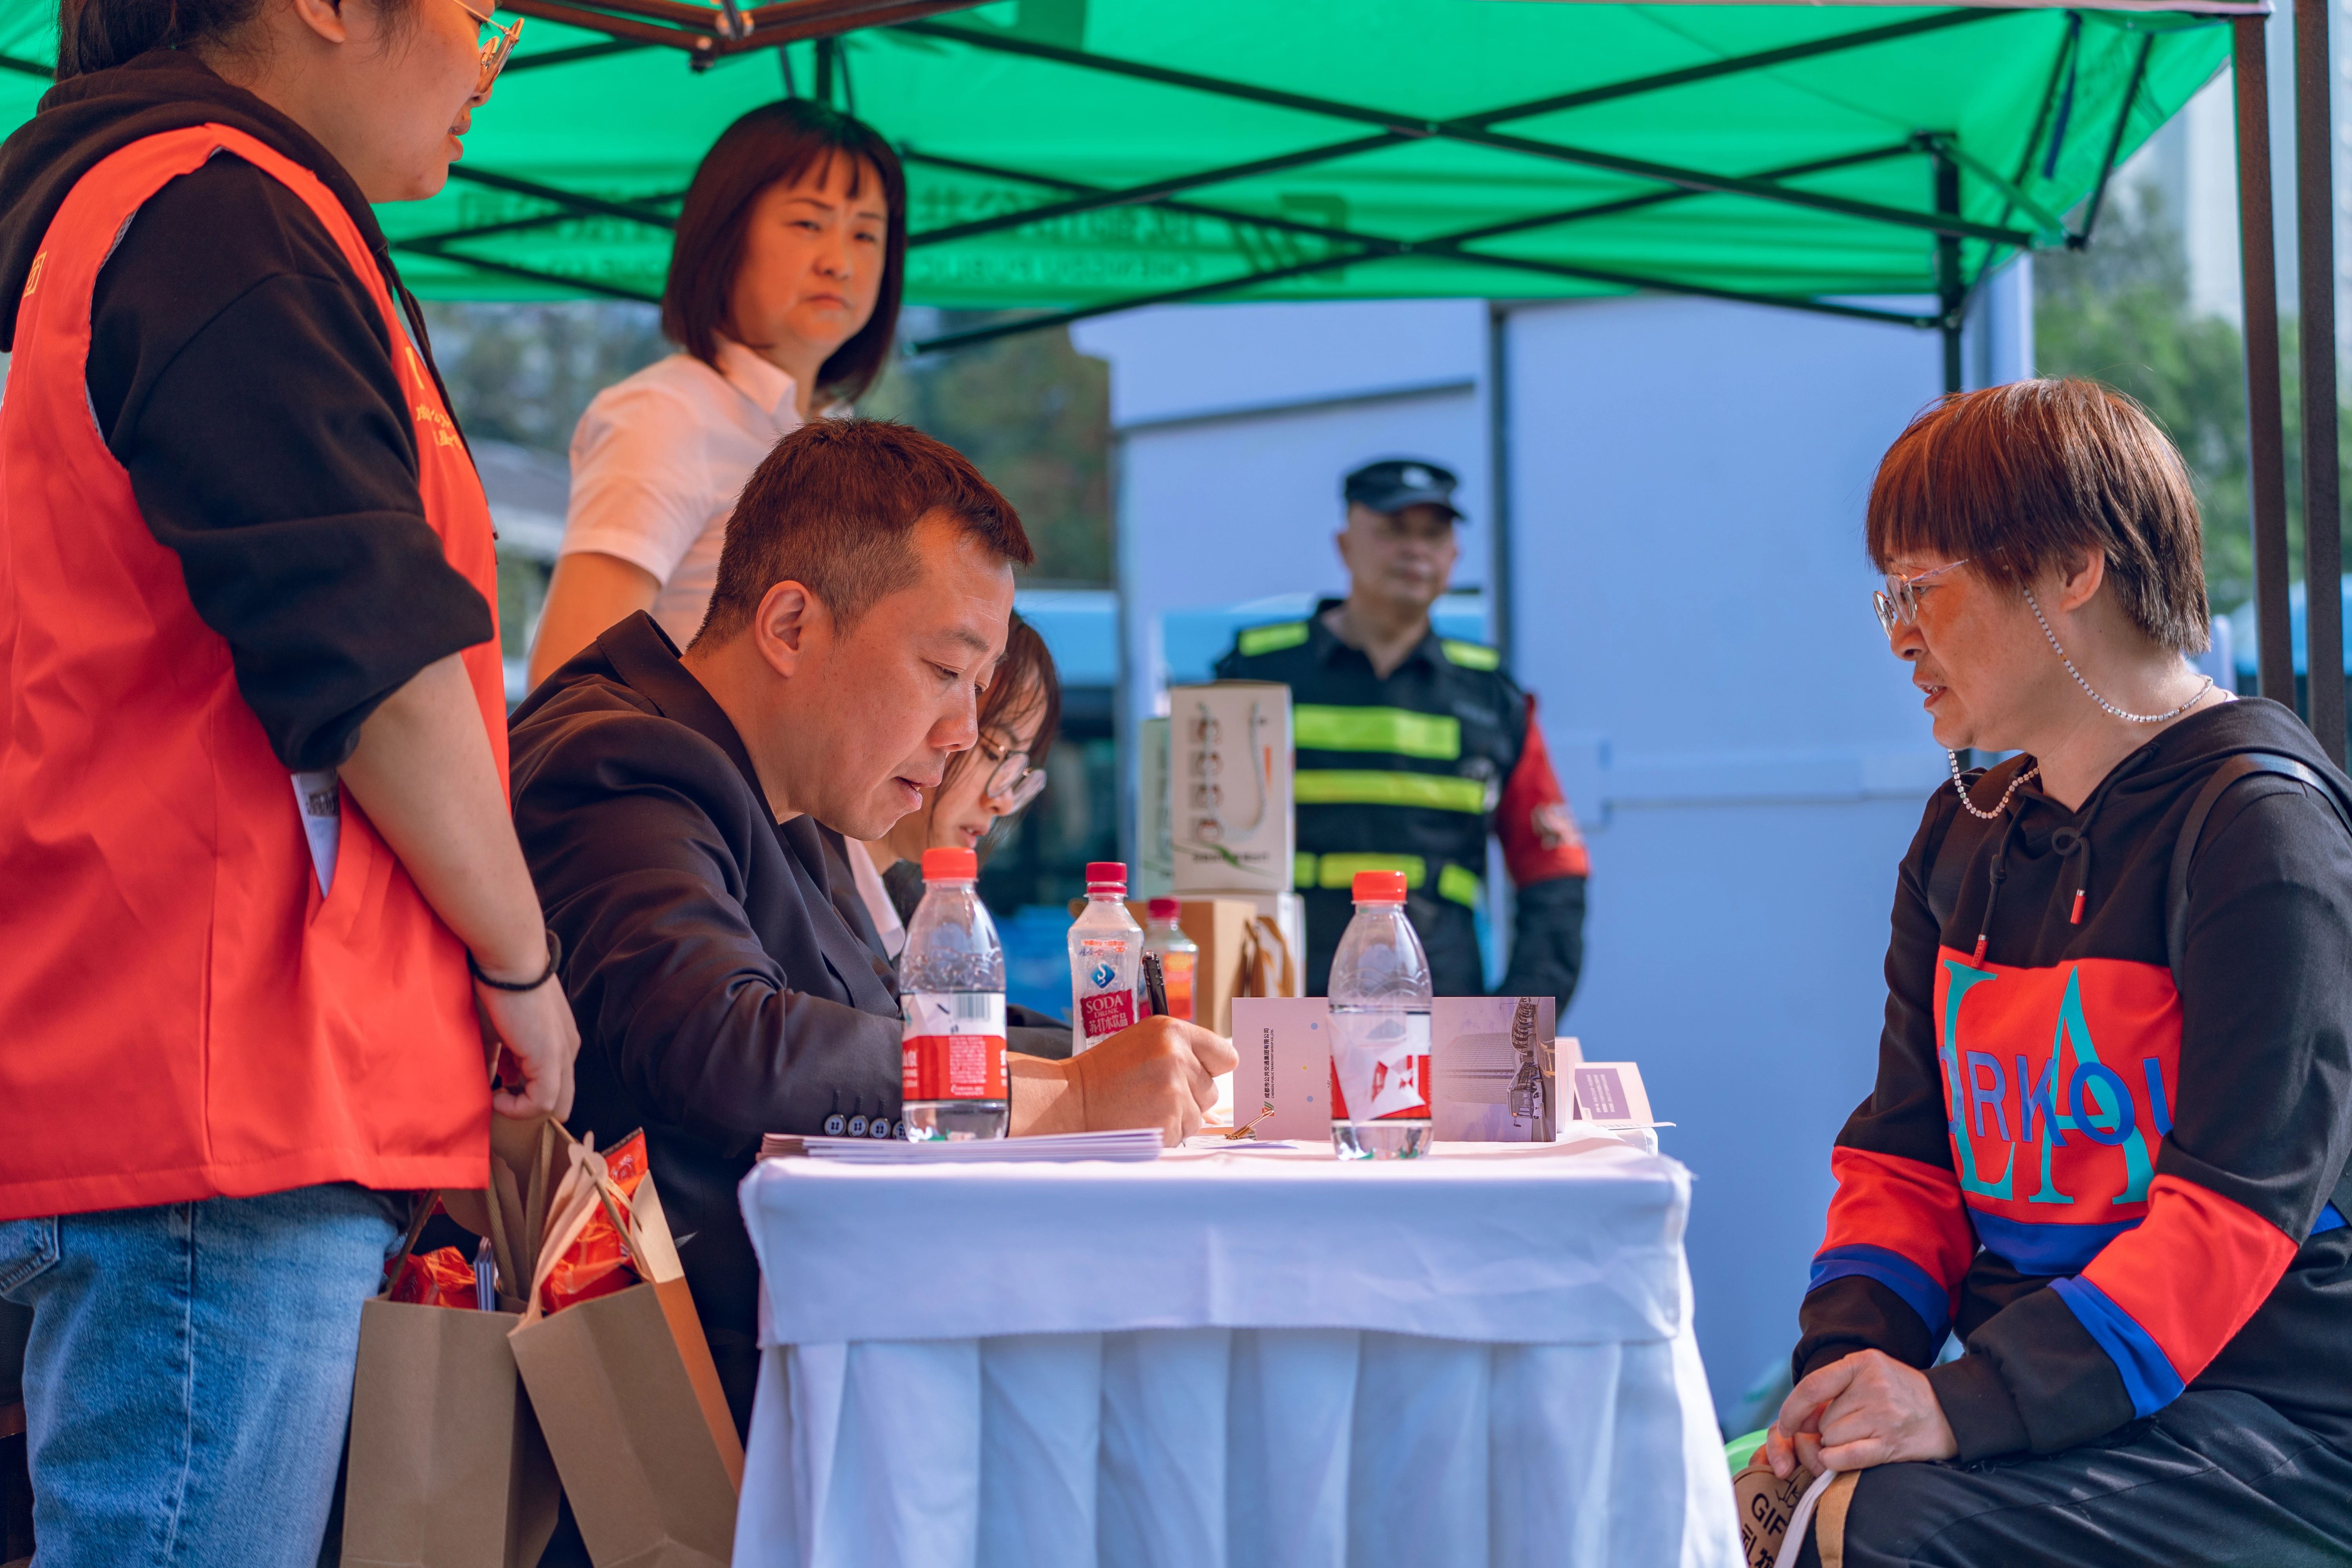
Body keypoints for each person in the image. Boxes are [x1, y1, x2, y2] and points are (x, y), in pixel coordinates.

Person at [0, 3, 578, 1565]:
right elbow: (373, 656)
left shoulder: (101, 213)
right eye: (480, 13)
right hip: (222, 1096)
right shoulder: (214, 216)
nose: (491, 60)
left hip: (151, 1068)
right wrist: (519, 961)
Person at [510, 418, 1235, 1434]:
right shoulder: (624, 766)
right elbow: (722, 1043)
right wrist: (1067, 1098)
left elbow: (891, 1022)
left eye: (978, 693)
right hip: (685, 1423)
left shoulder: (785, 791)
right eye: (944, 671)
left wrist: (1100, 1058)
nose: (960, 734)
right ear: (791, 625)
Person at [1762, 380, 2352, 1566]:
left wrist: (1958, 1402)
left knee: (1865, 1530)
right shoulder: (1962, 830)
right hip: (2046, 1410)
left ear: (2072, 568)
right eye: (1888, 596)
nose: (1897, 633)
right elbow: (1906, 1155)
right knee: (1734, 1494)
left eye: (1921, 587)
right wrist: (1847, 1370)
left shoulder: (2260, 830)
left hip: (2264, 1421)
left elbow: (2232, 1216)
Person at [525, 98, 903, 684]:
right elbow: (569, 686)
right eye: (809, 224)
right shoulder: (667, 416)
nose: (840, 263)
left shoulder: (843, 437)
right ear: (726, 233)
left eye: (866, 234)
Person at [1214, 457, 1589, 1007]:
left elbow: (1553, 868)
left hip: (1441, 1003)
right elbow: (1194, 854)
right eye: (1393, 530)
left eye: (1433, 534)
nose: (1415, 550)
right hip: (1281, 1000)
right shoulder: (1255, 676)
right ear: (1344, 545)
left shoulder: (1491, 698)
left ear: (1455, 555)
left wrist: (1516, 1018)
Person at [850, 610, 1059, 953]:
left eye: (1019, 772)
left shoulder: (910, 910)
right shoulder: (797, 885)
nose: (1003, 802)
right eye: (994, 753)